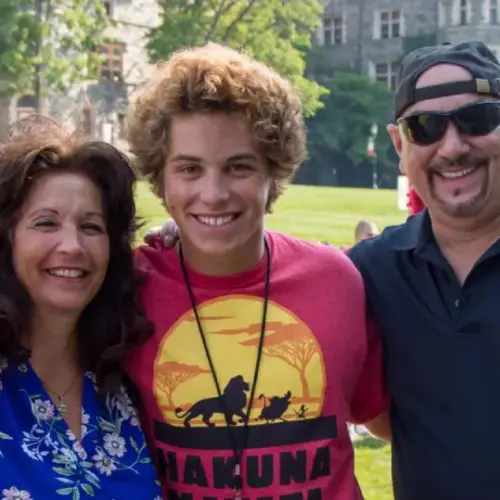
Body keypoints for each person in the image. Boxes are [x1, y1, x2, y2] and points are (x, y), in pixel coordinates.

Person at [125, 42, 389, 500]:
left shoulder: (335, 281)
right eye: (189, 169)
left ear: (274, 172)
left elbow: (389, 420)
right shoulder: (127, 289)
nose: (213, 193)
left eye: (238, 167)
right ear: (161, 180)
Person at [348, 40, 500, 499]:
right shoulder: (369, 273)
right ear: (399, 143)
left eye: (478, 119)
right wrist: (190, 243)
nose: (452, 147)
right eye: (425, 127)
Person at [0, 127, 161, 498]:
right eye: (46, 223)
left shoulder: (125, 386)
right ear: (7, 238)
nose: (72, 246)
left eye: (91, 227)